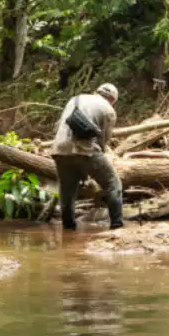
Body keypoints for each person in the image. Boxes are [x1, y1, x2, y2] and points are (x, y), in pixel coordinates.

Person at [51, 83, 123, 230]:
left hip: (59, 149)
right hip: (85, 150)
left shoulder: (75, 99)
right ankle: (117, 224)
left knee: (67, 191)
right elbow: (103, 140)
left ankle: (68, 229)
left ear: (96, 91)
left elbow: (59, 125)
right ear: (112, 100)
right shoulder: (108, 110)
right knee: (113, 183)